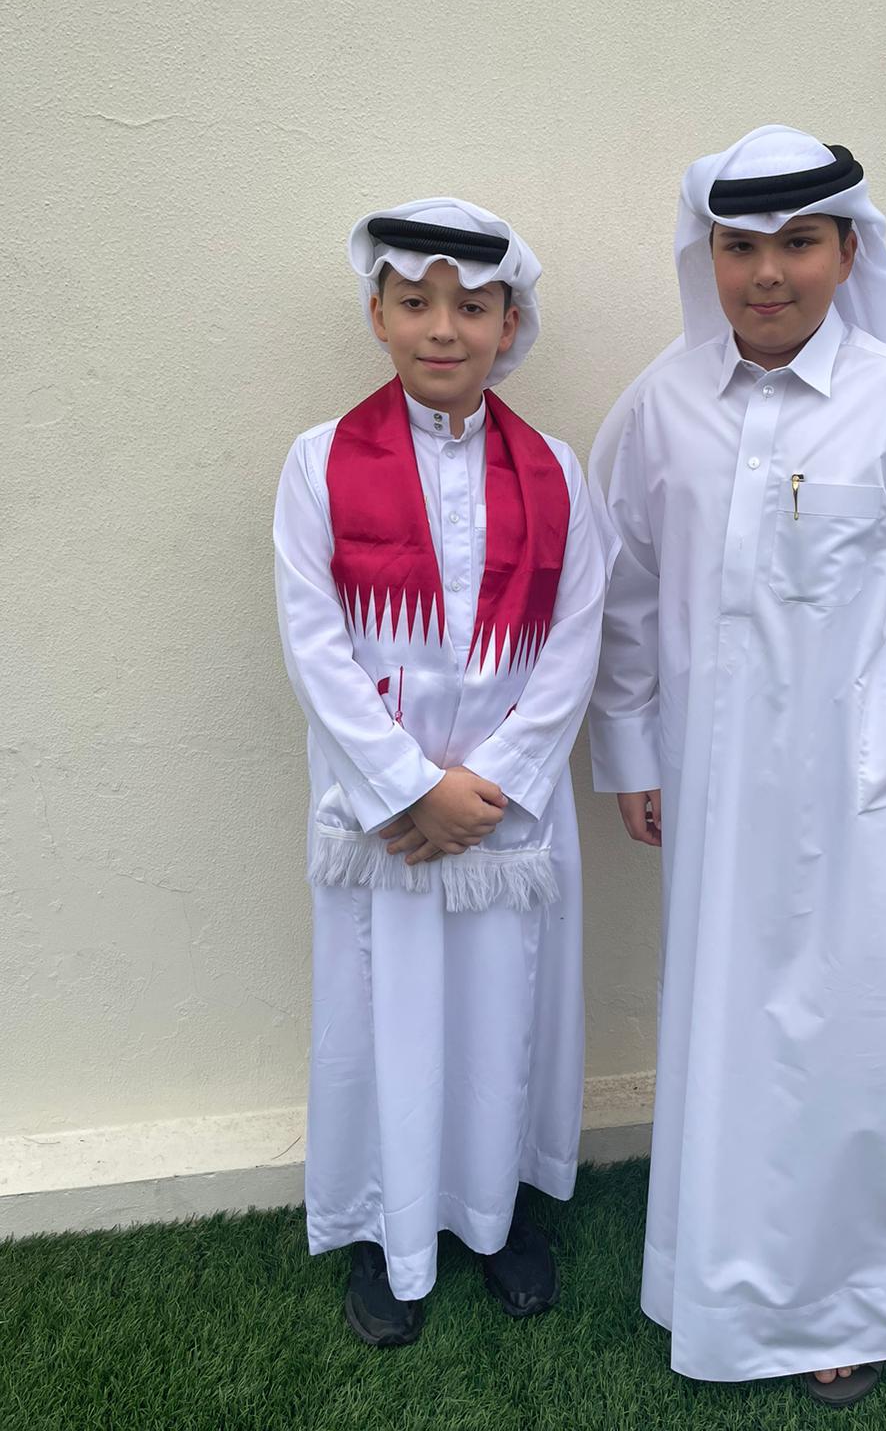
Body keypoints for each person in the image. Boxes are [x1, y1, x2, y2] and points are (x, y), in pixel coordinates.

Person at [588, 127, 886, 1406]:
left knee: (845, 1036)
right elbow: (621, 592)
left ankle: (845, 1301)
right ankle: (711, 1285)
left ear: (848, 252)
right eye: (740, 246)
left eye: (799, 243)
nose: (767, 272)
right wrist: (633, 747)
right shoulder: (660, 405)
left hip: (850, 796)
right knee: (724, 1030)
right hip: (709, 793)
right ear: (708, 255)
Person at [274, 198, 608, 1346]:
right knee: (386, 1020)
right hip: (384, 821)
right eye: (415, 301)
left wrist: (490, 785)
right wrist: (411, 787)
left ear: (511, 322)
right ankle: (389, 1230)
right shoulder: (319, 463)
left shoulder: (558, 471)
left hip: (505, 820)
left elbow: (575, 644)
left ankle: (493, 1212)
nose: (443, 327)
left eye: (472, 306)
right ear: (377, 313)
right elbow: (314, 646)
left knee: (500, 1017)